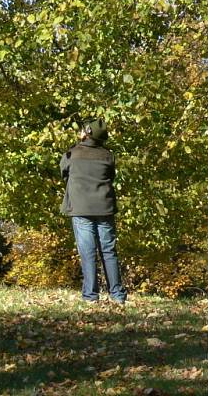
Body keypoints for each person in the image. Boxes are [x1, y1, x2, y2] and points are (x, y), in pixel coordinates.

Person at [60, 119, 127, 304]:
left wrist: (78, 143)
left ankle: (91, 296)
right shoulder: (108, 156)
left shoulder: (72, 153)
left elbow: (63, 171)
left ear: (86, 133)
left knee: (88, 252)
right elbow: (111, 176)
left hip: (81, 209)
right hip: (104, 208)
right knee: (109, 251)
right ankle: (117, 295)